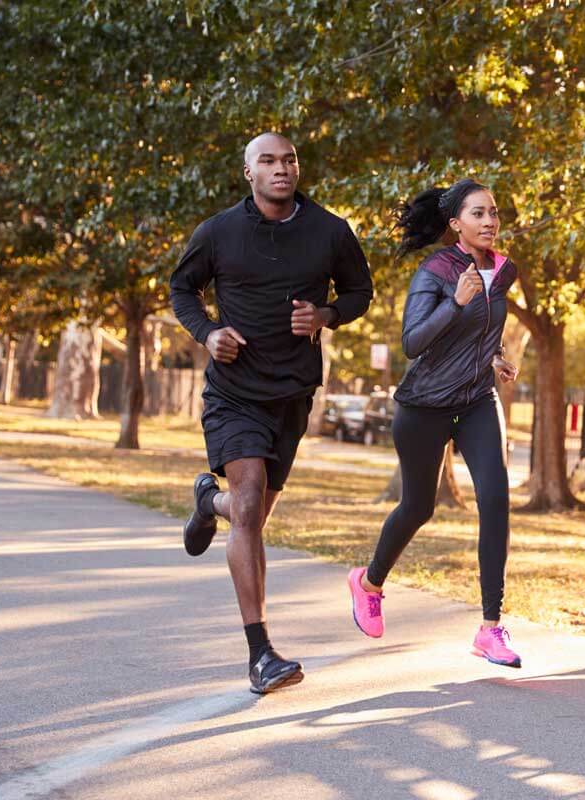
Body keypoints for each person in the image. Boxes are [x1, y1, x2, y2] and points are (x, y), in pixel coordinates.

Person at [171, 132, 373, 694]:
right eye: (268, 161)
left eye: (288, 160)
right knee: (252, 497)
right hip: (234, 392)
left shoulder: (331, 231)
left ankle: (208, 501)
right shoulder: (218, 232)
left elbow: (361, 291)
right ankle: (260, 653)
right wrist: (209, 334)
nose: (280, 168)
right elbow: (182, 290)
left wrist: (327, 314)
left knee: (249, 515)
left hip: (293, 396)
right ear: (248, 173)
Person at [347, 178, 523, 667]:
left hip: (476, 401)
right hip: (423, 405)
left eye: (494, 212)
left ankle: (491, 627)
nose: (489, 221)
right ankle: (369, 582)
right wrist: (456, 302)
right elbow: (413, 342)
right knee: (418, 507)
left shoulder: (505, 270)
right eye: (478, 214)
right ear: (455, 224)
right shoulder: (437, 270)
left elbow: (484, 330)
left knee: (495, 499)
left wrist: (495, 358)